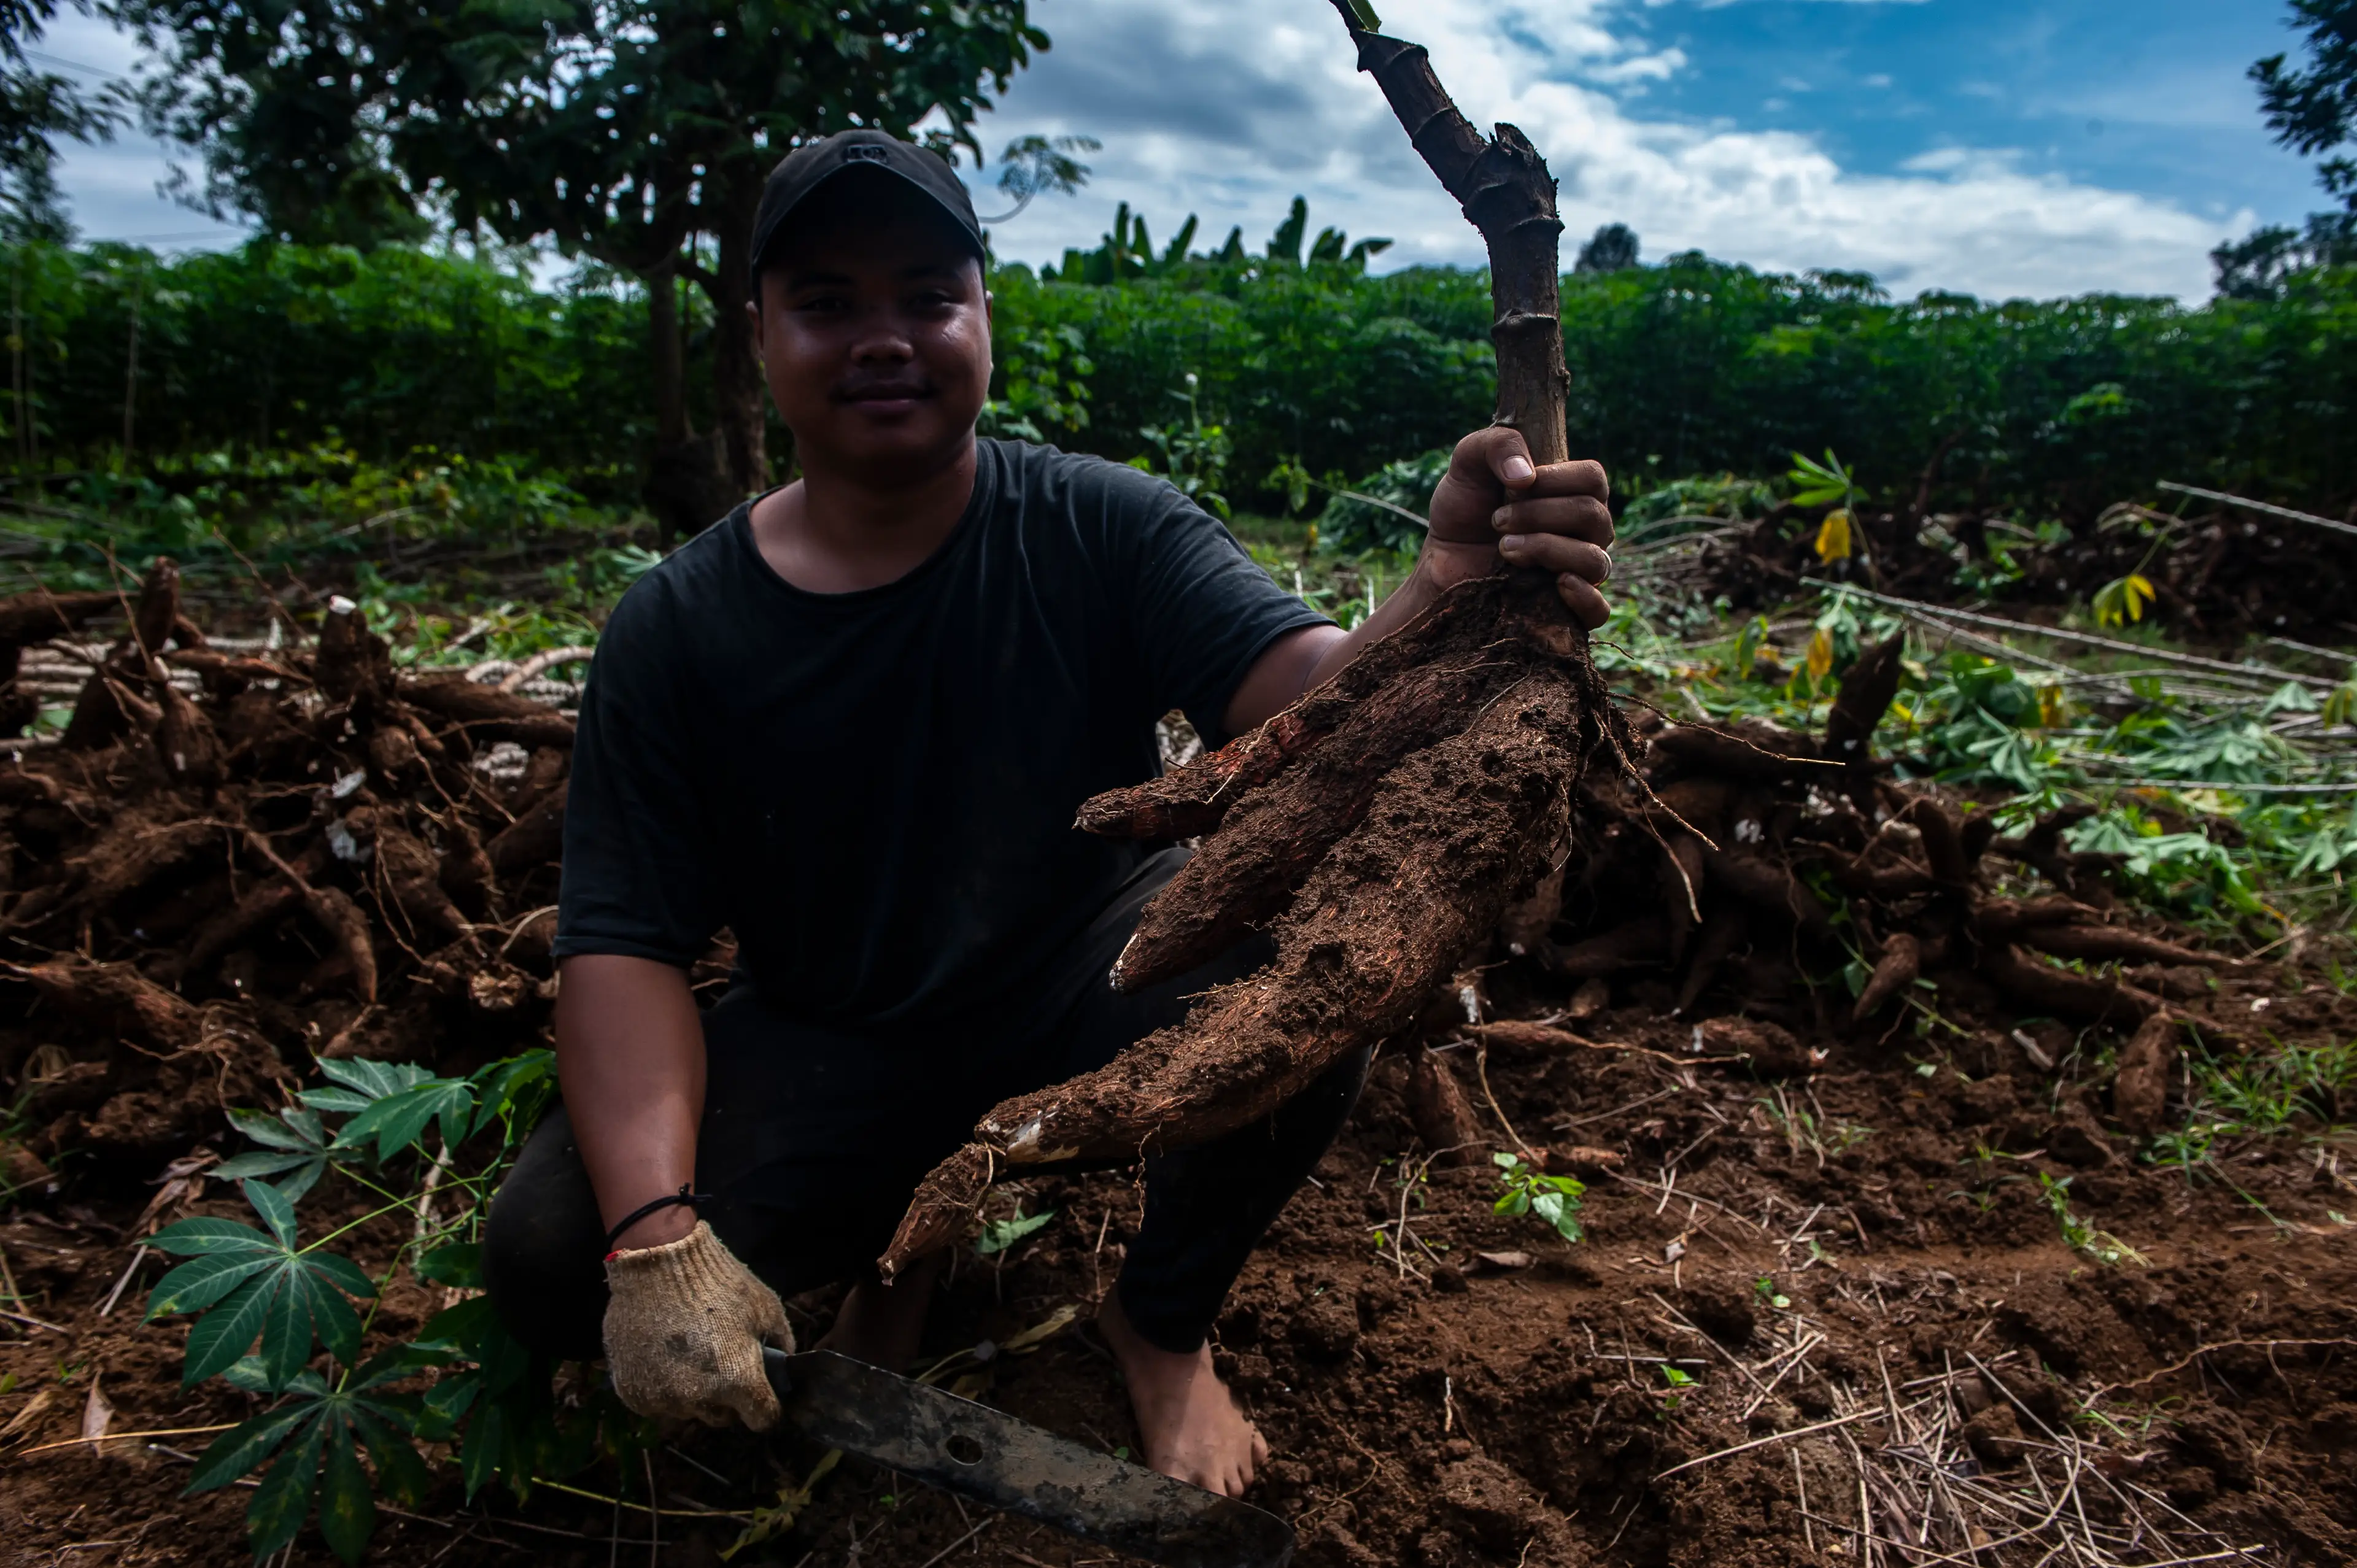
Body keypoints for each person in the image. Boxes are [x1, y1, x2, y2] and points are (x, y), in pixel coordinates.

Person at [482, 127, 1614, 1499]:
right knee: (556, 1250)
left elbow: (1305, 706)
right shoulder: (674, 628)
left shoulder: (1101, 525)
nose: (883, 337)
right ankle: (911, 1247)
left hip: (1088, 974)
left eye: (924, 295)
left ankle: (1159, 1322)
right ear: (762, 337)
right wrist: (658, 1235)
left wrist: (1443, 586)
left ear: (985, 318)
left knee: (1303, 976)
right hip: (828, 1033)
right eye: (829, 304)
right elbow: (622, 943)